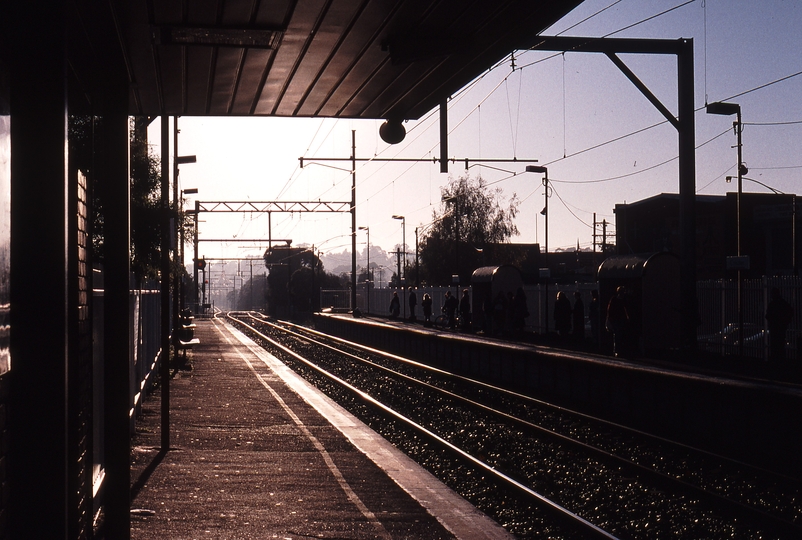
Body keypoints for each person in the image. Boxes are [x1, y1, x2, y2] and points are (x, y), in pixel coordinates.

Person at [765, 287, 793, 361]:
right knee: (780, 345)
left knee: (774, 346)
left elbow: (767, 316)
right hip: (781, 328)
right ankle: (781, 360)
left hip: (774, 329)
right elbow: (790, 313)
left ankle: (775, 361)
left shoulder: (772, 304)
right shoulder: (783, 303)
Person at [606, 286, 630, 357]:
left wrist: (609, 318)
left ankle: (617, 350)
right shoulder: (623, 300)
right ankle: (619, 350)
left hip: (616, 319)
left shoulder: (614, 299)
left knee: (617, 335)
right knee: (619, 335)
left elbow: (609, 309)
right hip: (619, 319)